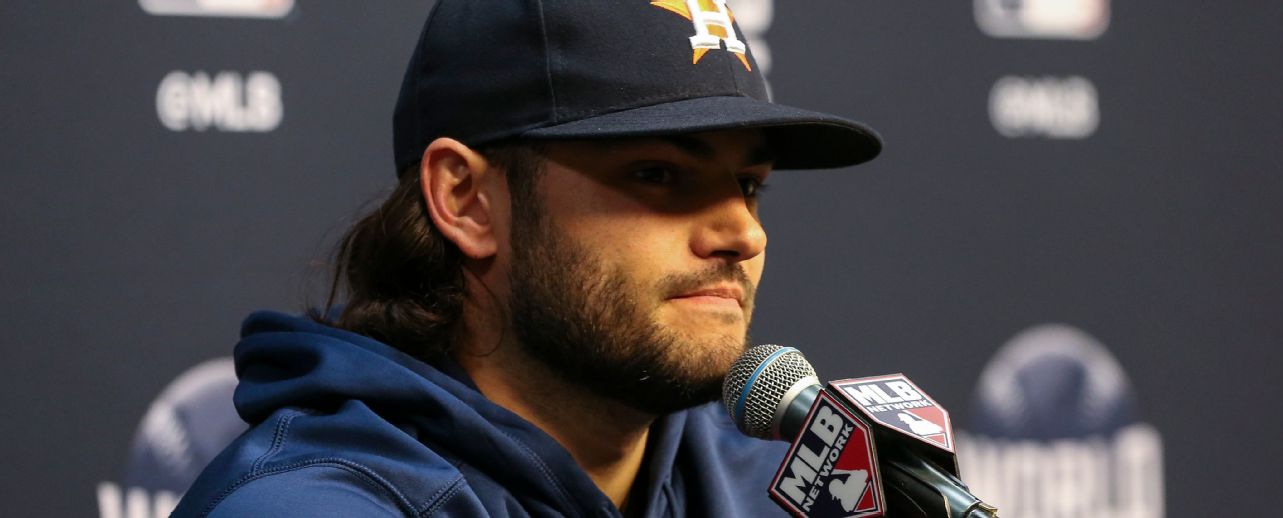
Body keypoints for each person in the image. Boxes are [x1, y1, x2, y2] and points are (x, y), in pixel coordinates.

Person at [172, 0, 882, 516]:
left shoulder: (783, 486)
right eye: (658, 174)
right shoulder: (309, 505)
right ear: (466, 200)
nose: (744, 235)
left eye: (749, 185)